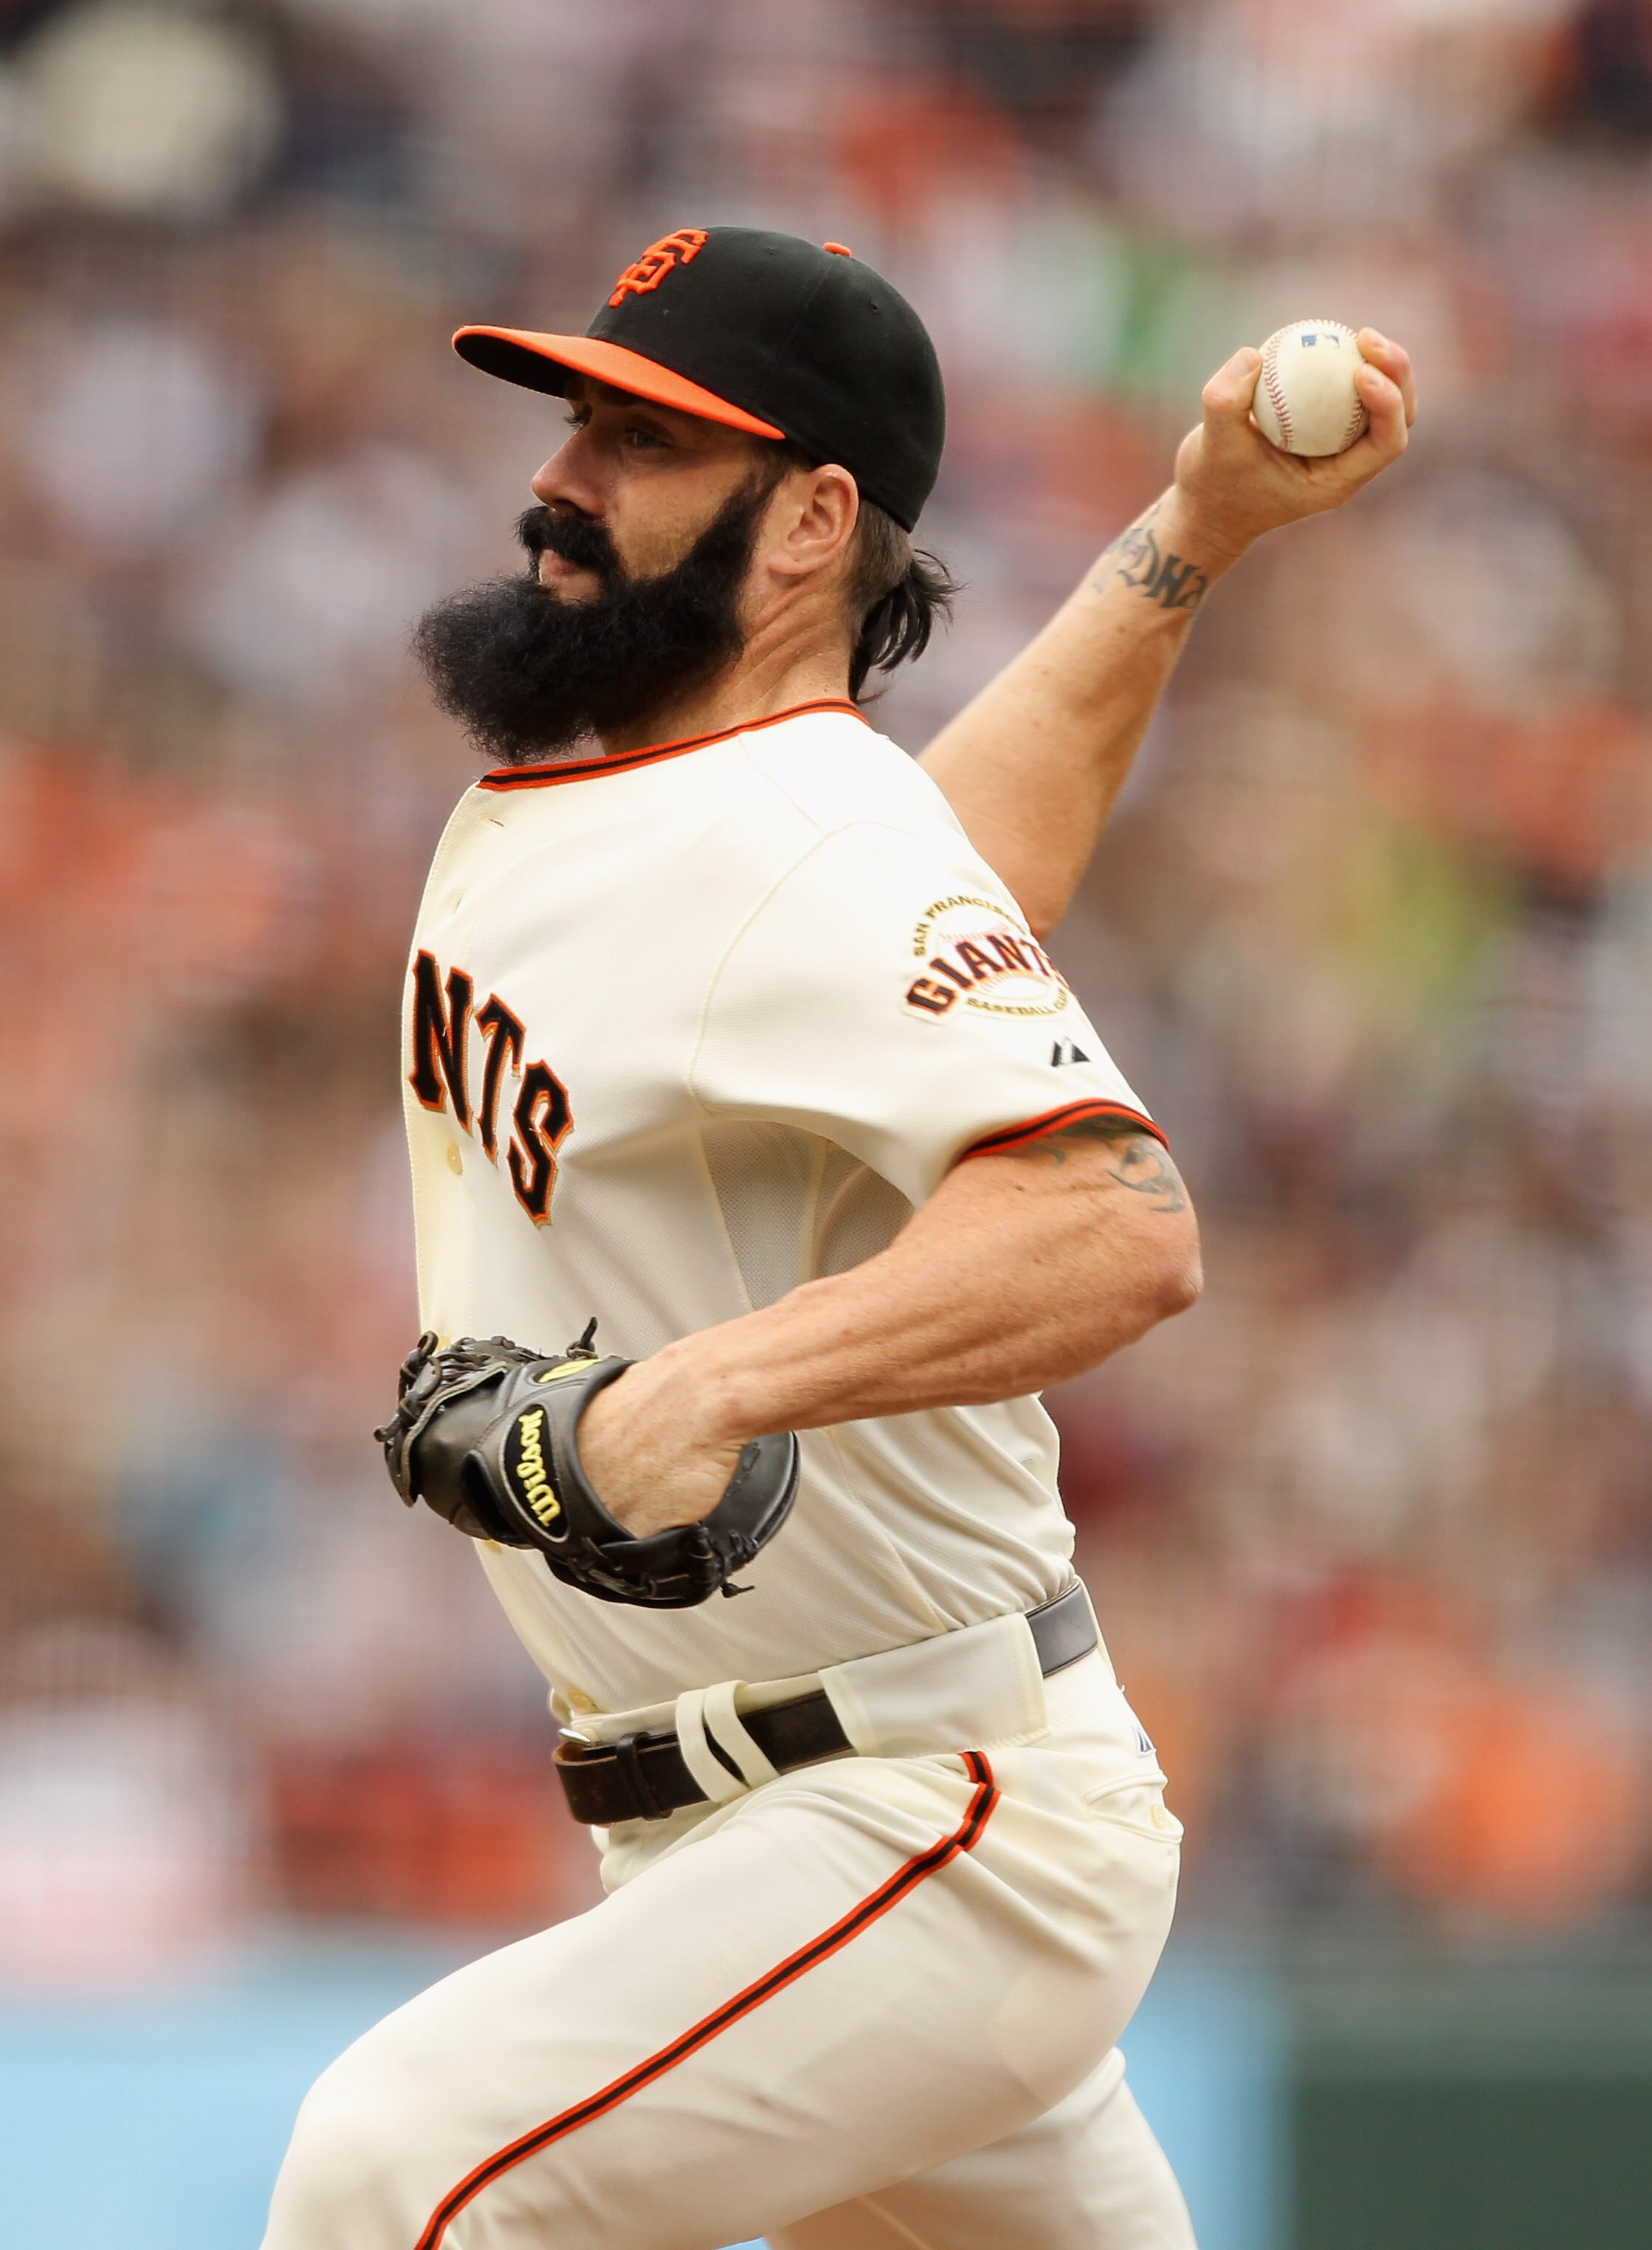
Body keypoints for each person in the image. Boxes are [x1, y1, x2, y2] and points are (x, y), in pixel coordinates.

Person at [263, 228, 1415, 2250]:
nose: (561, 479)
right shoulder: (699, 808)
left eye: (640, 441)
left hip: (930, 1805)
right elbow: (953, 872)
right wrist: (1185, 536)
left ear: (808, 522)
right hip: (763, 1825)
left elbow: (1115, 1222)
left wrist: (700, 1389)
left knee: (399, 2177)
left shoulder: (798, 828)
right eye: (578, 424)